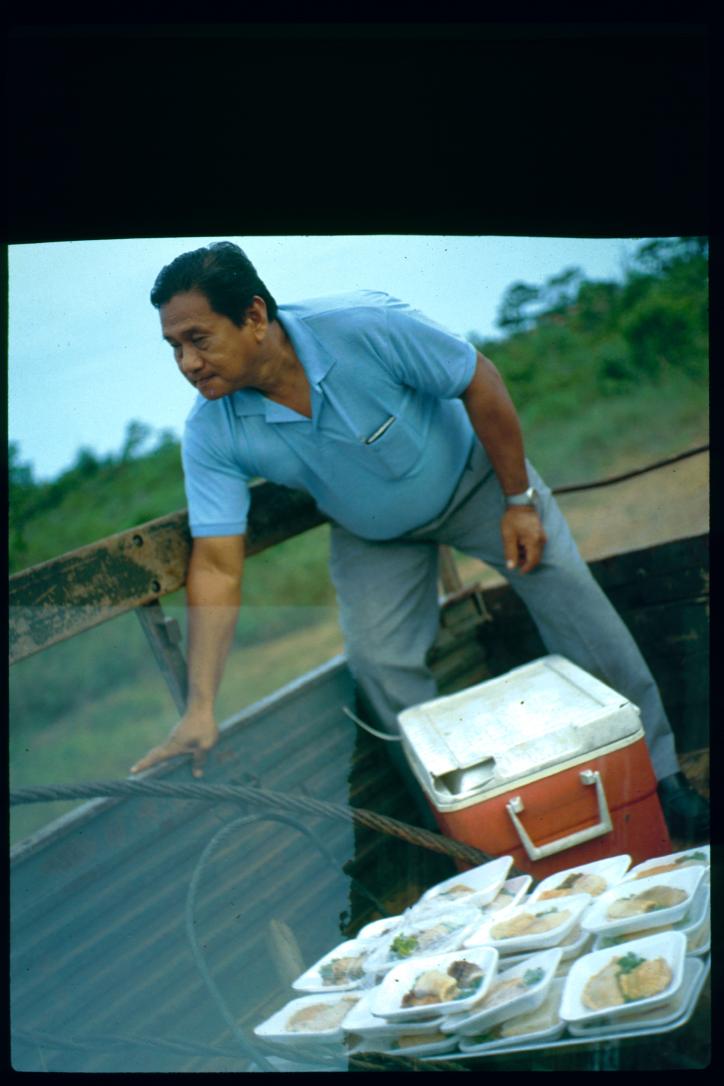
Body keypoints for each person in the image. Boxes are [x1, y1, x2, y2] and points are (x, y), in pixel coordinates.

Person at [130, 241, 708, 845]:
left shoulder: (363, 326)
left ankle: (661, 780)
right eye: (174, 347)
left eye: (197, 339)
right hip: (375, 536)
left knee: (572, 601)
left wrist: (518, 502)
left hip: (480, 485)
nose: (187, 363)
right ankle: (469, 835)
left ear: (253, 316)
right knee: (378, 662)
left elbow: (479, 379)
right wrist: (200, 707)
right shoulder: (210, 432)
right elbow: (217, 566)